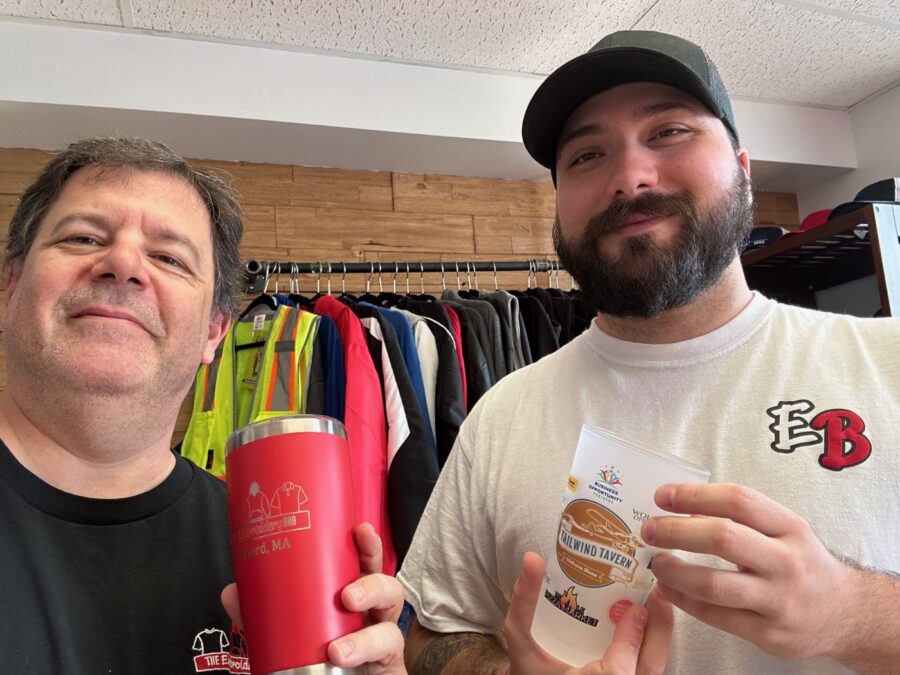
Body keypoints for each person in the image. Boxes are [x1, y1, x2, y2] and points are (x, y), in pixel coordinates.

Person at [398, 30, 900, 674]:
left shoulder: (888, 363)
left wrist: (851, 613)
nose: (629, 178)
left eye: (669, 132)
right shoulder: (501, 416)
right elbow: (435, 634)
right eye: (587, 155)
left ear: (742, 170)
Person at [0, 136, 406, 673]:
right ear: (11, 284)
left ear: (215, 331)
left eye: (169, 258)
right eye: (83, 238)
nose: (122, 263)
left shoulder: (263, 545)